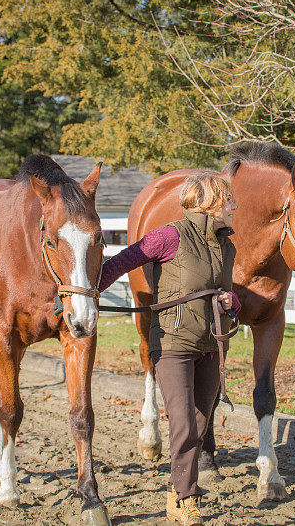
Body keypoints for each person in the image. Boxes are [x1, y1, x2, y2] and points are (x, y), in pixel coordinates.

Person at [99, 172, 239, 526]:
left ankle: (176, 487)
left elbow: (226, 289)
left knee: (202, 422)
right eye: (229, 201)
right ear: (210, 204)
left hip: (210, 345)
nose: (235, 207)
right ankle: (185, 498)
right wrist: (82, 294)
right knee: (184, 425)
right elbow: (118, 263)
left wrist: (230, 299)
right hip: (173, 344)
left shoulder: (226, 245)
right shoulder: (169, 235)